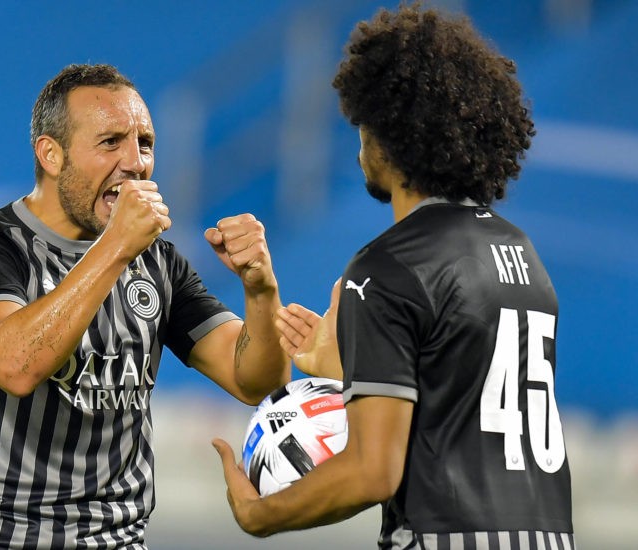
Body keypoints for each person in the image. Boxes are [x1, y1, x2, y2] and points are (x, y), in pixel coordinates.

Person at [212, 4, 576, 549]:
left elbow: (371, 472)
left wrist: (261, 514)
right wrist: (349, 367)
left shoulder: (388, 267)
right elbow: (467, 400)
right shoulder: (520, 252)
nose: (359, 141)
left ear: (390, 133)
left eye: (364, 123)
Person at [0, 63, 290, 548]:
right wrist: (116, 246)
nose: (136, 162)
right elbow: (15, 363)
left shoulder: (158, 261)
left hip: (120, 538)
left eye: (145, 143)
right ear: (51, 154)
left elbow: (254, 380)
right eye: (110, 142)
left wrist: (261, 289)